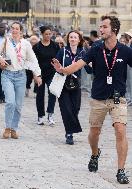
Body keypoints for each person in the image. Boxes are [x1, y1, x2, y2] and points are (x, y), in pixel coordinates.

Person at [52, 15, 131, 184]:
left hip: (118, 98)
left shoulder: (125, 51)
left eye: (104, 27)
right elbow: (79, 64)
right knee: (94, 133)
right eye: (100, 27)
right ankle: (95, 154)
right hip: (98, 98)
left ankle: (121, 170)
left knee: (120, 130)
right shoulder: (95, 48)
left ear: (114, 30)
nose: (100, 30)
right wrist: (63, 70)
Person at [0, 21, 42, 139]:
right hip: (7, 75)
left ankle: (14, 129)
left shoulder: (26, 44)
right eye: (13, 28)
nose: (14, 30)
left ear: (21, 31)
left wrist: (37, 74)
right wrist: (0, 59)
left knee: (18, 105)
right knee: (10, 102)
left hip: (21, 76)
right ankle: (7, 127)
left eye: (17, 28)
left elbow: (33, 59)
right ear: (10, 30)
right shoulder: (5, 41)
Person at [54, 30, 91, 145]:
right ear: (68, 39)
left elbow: (89, 70)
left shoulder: (83, 53)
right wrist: (58, 67)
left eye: (75, 37)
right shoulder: (63, 51)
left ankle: (70, 129)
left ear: (79, 40)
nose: (73, 39)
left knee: (75, 108)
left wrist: (91, 65)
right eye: (71, 37)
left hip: (76, 84)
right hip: (64, 83)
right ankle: (69, 133)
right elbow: (56, 66)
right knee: (66, 108)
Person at [32, 26, 60, 126]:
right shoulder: (37, 47)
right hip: (40, 74)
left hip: (52, 73)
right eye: (46, 34)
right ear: (42, 34)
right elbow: (33, 61)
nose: (48, 36)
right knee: (40, 94)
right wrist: (34, 75)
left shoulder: (55, 46)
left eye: (50, 34)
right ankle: (40, 116)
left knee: (52, 93)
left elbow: (59, 59)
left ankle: (50, 114)